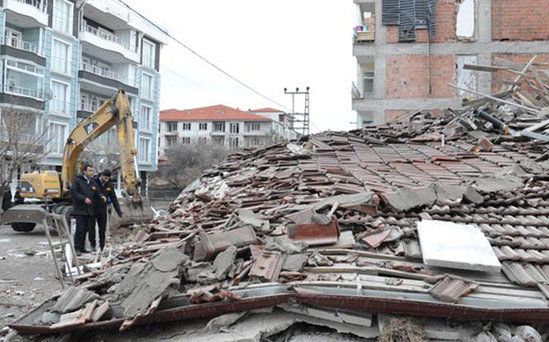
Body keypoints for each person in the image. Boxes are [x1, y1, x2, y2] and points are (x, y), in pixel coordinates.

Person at [70, 164, 98, 256]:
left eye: (92, 171)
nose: (91, 172)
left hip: (89, 210)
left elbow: (96, 193)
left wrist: (102, 197)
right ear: (85, 171)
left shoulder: (93, 182)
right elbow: (73, 192)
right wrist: (83, 198)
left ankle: (82, 247)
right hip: (80, 210)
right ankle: (77, 248)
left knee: (86, 229)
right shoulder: (78, 181)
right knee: (79, 229)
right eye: (89, 171)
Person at [93, 169, 122, 251]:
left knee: (102, 228)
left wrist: (118, 211)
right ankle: (92, 245)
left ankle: (102, 247)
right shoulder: (94, 182)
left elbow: (114, 198)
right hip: (93, 207)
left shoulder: (110, 185)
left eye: (108, 178)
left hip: (102, 208)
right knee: (91, 228)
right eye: (105, 178)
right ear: (101, 175)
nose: (106, 180)